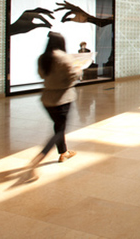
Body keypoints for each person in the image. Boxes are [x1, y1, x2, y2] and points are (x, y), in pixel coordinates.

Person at [25, 32, 81, 182]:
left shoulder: (43, 58)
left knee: (58, 126)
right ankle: (39, 158)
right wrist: (79, 70)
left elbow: (42, 75)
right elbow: (73, 77)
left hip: (47, 100)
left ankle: (64, 152)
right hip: (62, 99)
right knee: (59, 129)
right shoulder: (64, 57)